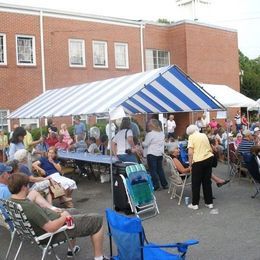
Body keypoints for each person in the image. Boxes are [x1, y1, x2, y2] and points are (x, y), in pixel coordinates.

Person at [8, 173, 109, 260]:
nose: (29, 187)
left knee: (74, 211)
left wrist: (54, 211)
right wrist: (64, 217)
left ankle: (71, 250)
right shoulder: (29, 207)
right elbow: (51, 228)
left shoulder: (12, 201)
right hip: (50, 234)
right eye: (27, 185)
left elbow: (34, 201)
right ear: (23, 188)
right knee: (97, 220)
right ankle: (99, 257)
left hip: (39, 228)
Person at [186, 124, 214, 210]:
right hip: (208, 158)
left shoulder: (191, 137)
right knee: (207, 181)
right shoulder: (203, 135)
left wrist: (190, 165)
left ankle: (195, 204)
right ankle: (209, 203)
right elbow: (210, 148)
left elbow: (190, 153)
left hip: (198, 161)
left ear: (189, 133)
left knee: (196, 183)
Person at [142, 119, 168, 190]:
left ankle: (156, 185)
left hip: (152, 153)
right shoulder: (162, 133)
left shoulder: (150, 134)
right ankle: (164, 184)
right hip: (160, 153)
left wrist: (141, 142)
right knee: (160, 169)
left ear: (151, 126)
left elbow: (145, 144)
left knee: (153, 170)